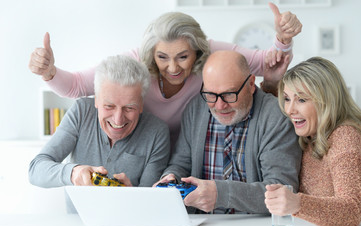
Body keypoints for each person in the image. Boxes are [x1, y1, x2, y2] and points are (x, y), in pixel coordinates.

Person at [28, 3, 302, 148]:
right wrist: (49, 72)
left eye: (183, 57)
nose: (173, 68)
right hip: (144, 151)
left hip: (189, 154)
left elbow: (266, 63)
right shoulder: (135, 61)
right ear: (151, 54)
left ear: (197, 51)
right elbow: (76, 85)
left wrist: (282, 39)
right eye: (163, 58)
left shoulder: (210, 52)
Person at [158, 50, 302, 214]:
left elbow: (281, 190)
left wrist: (221, 193)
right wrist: (170, 178)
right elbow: (181, 163)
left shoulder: (276, 116)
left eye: (229, 94)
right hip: (201, 224)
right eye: (211, 94)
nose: (219, 106)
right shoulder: (196, 108)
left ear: (250, 84)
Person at [29, 55, 170, 189]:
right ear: (96, 100)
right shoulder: (82, 112)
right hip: (77, 215)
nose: (118, 119)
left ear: (141, 105)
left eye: (129, 108)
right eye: (109, 106)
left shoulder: (157, 132)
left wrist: (131, 193)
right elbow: (36, 169)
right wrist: (74, 173)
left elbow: (150, 202)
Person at [264, 57, 361, 226]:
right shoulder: (310, 132)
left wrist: (298, 203)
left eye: (301, 99)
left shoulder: (345, 137)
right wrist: (271, 82)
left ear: (327, 100)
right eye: (287, 99)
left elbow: (353, 210)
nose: (290, 110)